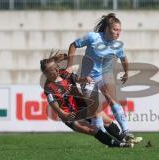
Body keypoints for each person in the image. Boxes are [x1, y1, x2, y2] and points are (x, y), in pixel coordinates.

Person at [66, 13, 140, 142]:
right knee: (96, 108)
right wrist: (69, 66)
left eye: (119, 30)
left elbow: (123, 58)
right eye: (115, 29)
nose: (118, 33)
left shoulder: (118, 45)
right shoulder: (92, 37)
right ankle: (105, 138)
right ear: (107, 28)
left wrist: (126, 72)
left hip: (104, 76)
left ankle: (127, 132)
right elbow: (73, 45)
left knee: (113, 100)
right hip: (87, 77)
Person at [40, 53, 134, 148]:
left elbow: (77, 79)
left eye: (57, 67)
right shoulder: (49, 88)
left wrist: (85, 79)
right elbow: (57, 110)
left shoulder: (64, 74)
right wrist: (65, 115)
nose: (57, 69)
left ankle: (124, 139)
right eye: (53, 70)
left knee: (107, 121)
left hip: (83, 106)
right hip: (71, 115)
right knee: (93, 130)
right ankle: (121, 145)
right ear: (46, 73)